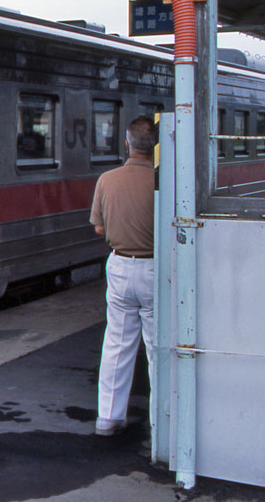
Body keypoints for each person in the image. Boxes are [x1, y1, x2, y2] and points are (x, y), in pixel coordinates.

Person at [89, 114, 156, 436]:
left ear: (126, 144)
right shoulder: (163, 180)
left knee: (117, 344)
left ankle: (108, 418)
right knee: (158, 348)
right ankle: (162, 421)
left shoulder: (107, 179)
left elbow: (99, 227)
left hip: (119, 264)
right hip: (156, 268)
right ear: (156, 148)